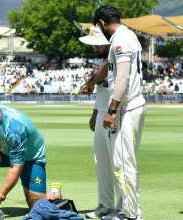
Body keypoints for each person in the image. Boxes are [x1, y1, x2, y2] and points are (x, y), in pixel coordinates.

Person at [83, 5, 146, 220]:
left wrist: (111, 109)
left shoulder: (120, 40)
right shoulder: (127, 36)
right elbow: (110, 71)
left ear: (101, 23)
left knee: (124, 164)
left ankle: (131, 215)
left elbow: (123, 78)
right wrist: (92, 82)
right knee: (121, 162)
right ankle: (125, 211)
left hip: (126, 108)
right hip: (127, 107)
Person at [79, 25, 122, 219]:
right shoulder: (99, 59)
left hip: (115, 113)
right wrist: (95, 112)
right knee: (101, 162)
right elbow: (101, 91)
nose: (95, 49)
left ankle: (122, 208)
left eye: (97, 45)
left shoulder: (116, 56)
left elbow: (105, 77)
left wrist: (90, 82)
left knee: (117, 162)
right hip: (102, 113)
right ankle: (105, 205)